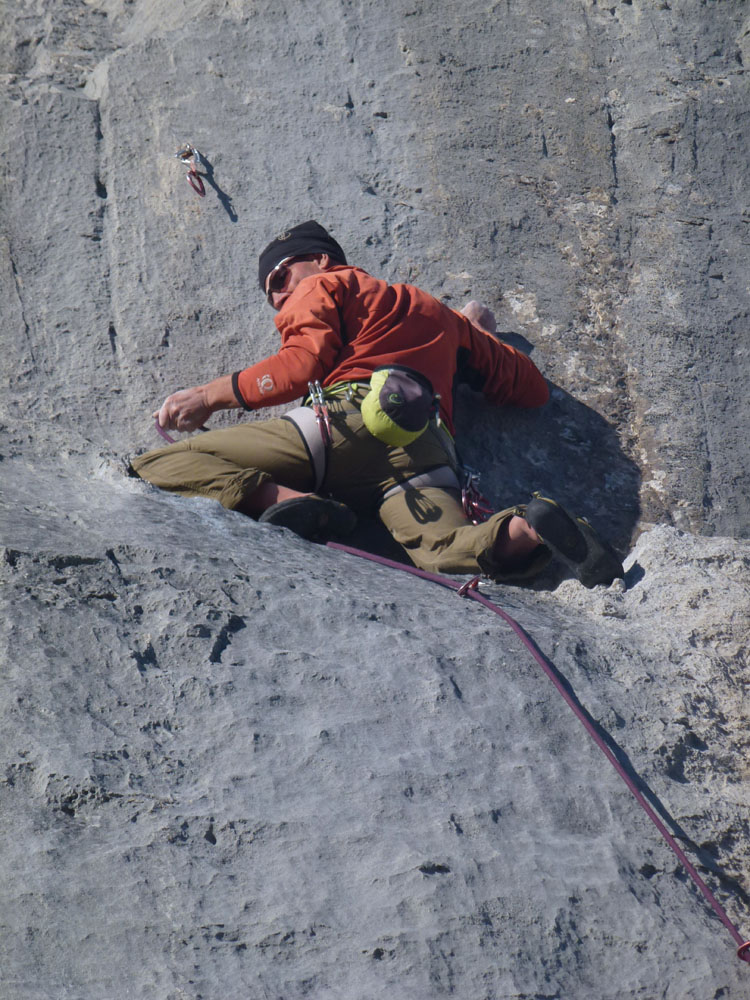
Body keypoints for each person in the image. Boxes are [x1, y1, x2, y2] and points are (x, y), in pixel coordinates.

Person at [130, 221, 623, 587]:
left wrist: (206, 397)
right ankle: (529, 527)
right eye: (270, 295)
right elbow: (530, 388)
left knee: (158, 464)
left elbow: (300, 366)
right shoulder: (441, 319)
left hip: (338, 428)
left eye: (281, 277)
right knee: (441, 552)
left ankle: (287, 502)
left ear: (321, 260)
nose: (279, 298)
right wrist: (473, 333)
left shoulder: (327, 284)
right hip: (423, 456)